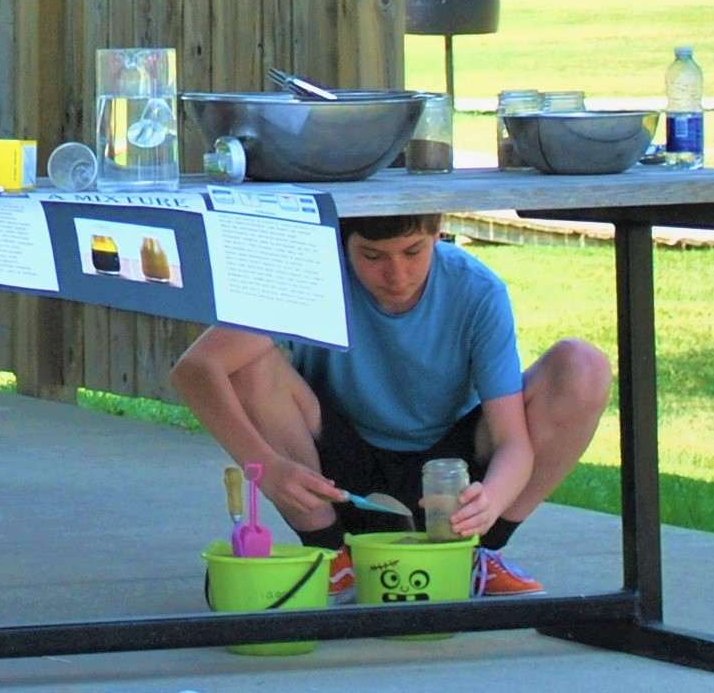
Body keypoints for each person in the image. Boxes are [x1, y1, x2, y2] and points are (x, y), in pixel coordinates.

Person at [170, 213, 609, 599]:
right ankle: (332, 555)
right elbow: (195, 369)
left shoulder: (477, 290)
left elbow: (513, 441)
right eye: (373, 256)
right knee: (248, 363)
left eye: (413, 251)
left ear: (438, 232)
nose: (396, 274)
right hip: (339, 459)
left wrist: (491, 499)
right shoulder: (310, 280)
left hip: (452, 470)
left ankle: (477, 555)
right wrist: (263, 465)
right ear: (340, 245)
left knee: (583, 365)